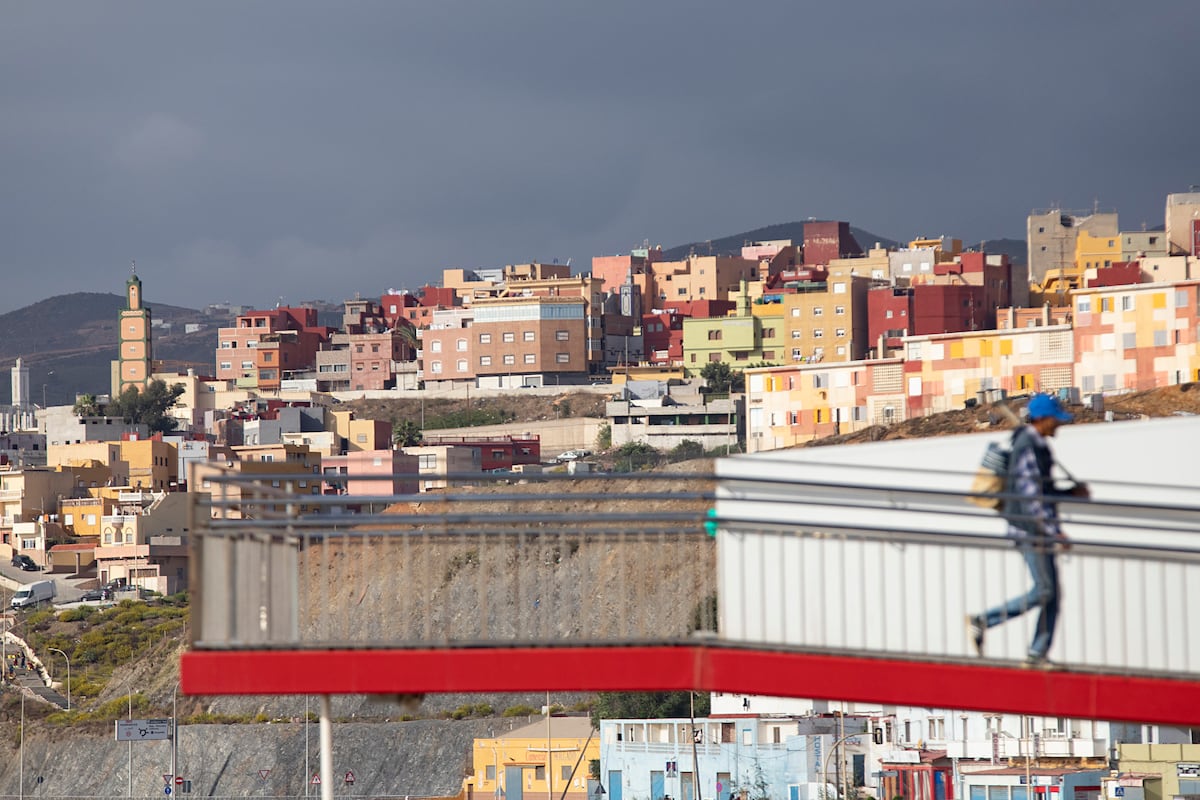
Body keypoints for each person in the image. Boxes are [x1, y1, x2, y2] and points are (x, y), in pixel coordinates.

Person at [967, 393, 1089, 665]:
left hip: (1036, 529)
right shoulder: (1029, 447)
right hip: (1029, 530)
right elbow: (1031, 496)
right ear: (1043, 419)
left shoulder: (1037, 446)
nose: (1059, 424)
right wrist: (1054, 531)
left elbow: (1043, 492)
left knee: (1051, 593)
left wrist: (1070, 493)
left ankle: (1037, 653)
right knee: (1045, 591)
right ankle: (984, 621)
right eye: (1056, 420)